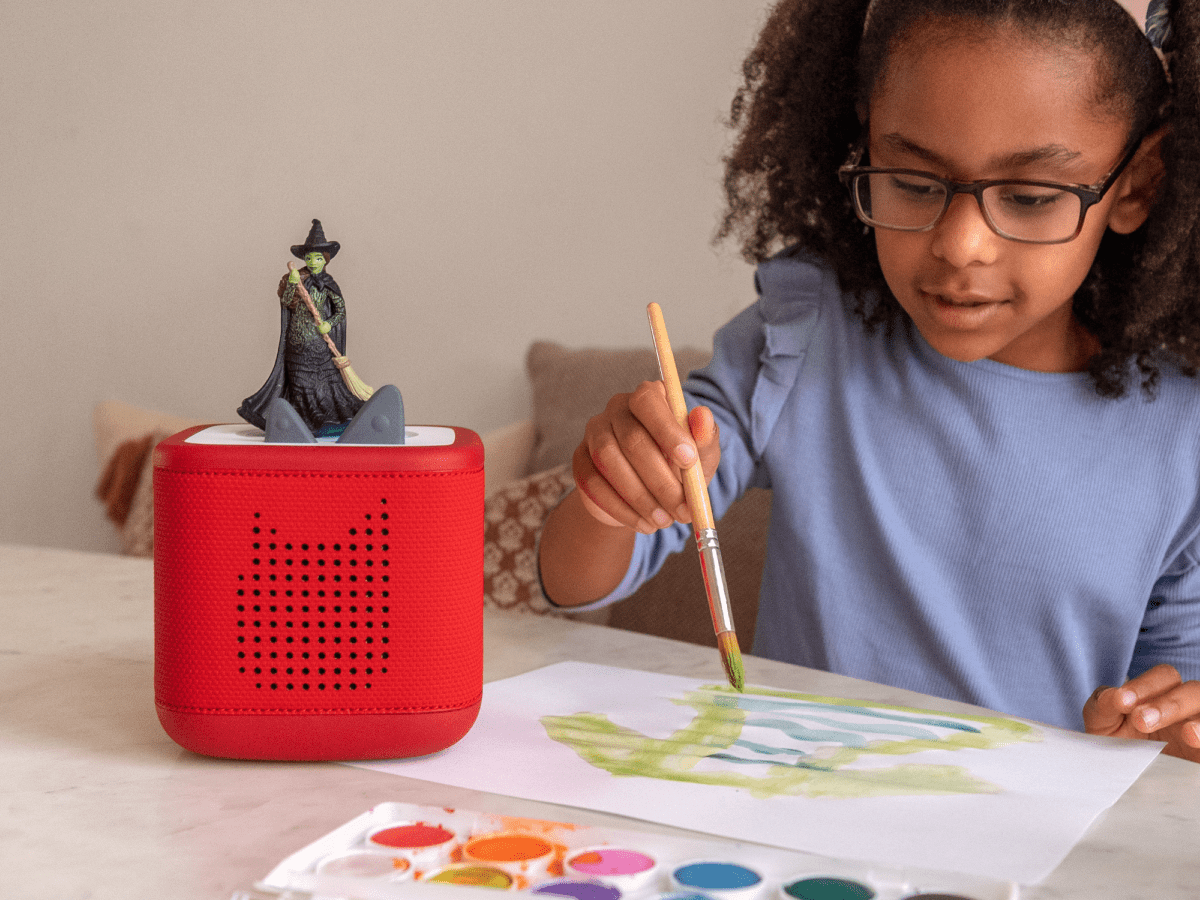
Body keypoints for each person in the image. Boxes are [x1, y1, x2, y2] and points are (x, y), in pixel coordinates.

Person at [538, 0, 1200, 763]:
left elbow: (1172, 724)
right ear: (863, 141)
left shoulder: (1181, 436)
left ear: (1139, 184)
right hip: (798, 839)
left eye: (1029, 197)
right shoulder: (805, 337)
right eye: (915, 182)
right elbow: (575, 581)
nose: (961, 245)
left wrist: (1158, 732)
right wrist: (614, 492)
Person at [238, 219, 366, 437]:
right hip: (296, 346)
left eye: (317, 257)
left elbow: (340, 311)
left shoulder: (328, 283)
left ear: (325, 260)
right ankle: (301, 425)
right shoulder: (297, 279)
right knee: (299, 386)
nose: (313, 261)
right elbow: (287, 301)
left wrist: (329, 323)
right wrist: (292, 283)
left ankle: (328, 422)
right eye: (309, 257)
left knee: (324, 386)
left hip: (320, 348)